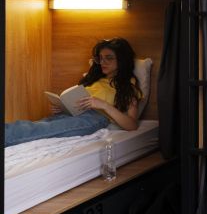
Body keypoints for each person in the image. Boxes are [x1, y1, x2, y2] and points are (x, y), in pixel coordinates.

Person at [5, 37, 142, 147]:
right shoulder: (94, 80)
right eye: (100, 58)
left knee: (38, 130)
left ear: (122, 60)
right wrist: (63, 107)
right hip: (71, 114)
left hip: (93, 118)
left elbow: (132, 125)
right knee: (34, 126)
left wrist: (104, 105)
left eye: (109, 58)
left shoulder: (128, 87)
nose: (102, 62)